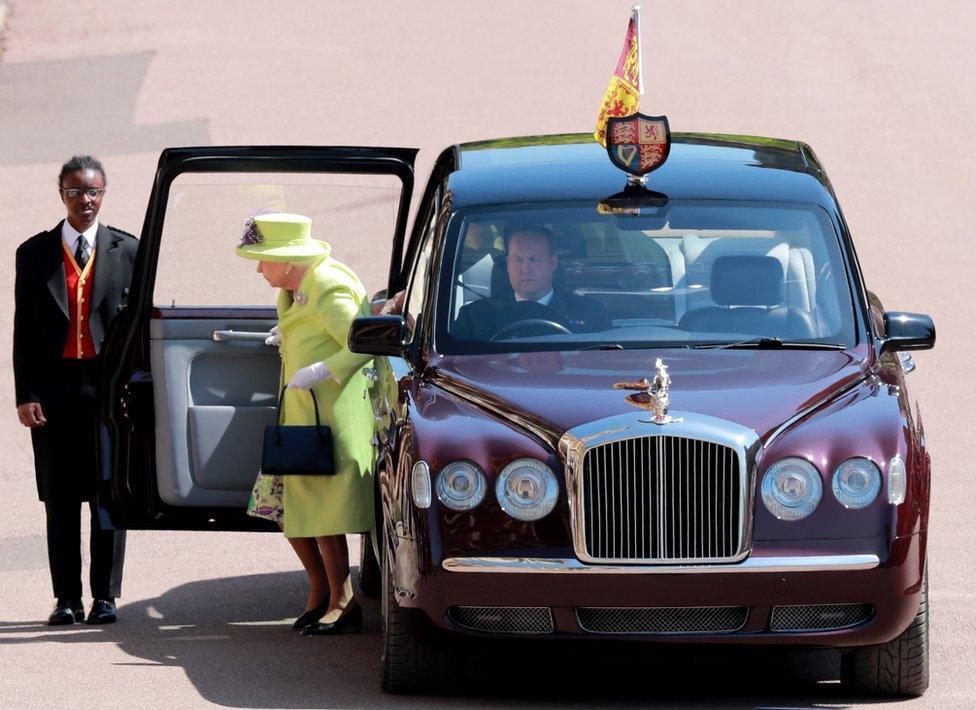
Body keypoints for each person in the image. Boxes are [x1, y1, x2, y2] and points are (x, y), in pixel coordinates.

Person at [236, 212, 375, 635]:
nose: (259, 268)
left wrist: (322, 370)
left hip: (327, 424)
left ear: (288, 260)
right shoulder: (298, 288)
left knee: (322, 514)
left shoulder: (328, 286)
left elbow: (363, 343)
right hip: (300, 421)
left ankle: (342, 600)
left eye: (264, 260)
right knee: (286, 508)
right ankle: (322, 590)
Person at [13, 155, 137, 625]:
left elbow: (137, 332)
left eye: (93, 192)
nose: (85, 201)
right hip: (54, 392)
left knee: (109, 494)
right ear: (61, 194)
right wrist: (26, 393)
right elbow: (23, 330)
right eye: (75, 192)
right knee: (60, 498)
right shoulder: (34, 253)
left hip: (106, 393)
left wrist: (135, 391)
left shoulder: (127, 250)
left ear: (103, 194)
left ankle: (105, 596)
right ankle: (67, 598)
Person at [453, 224, 610, 341]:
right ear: (507, 264)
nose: (525, 269)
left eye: (534, 259)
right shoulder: (474, 319)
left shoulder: (590, 313)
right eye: (518, 260)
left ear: (553, 263)